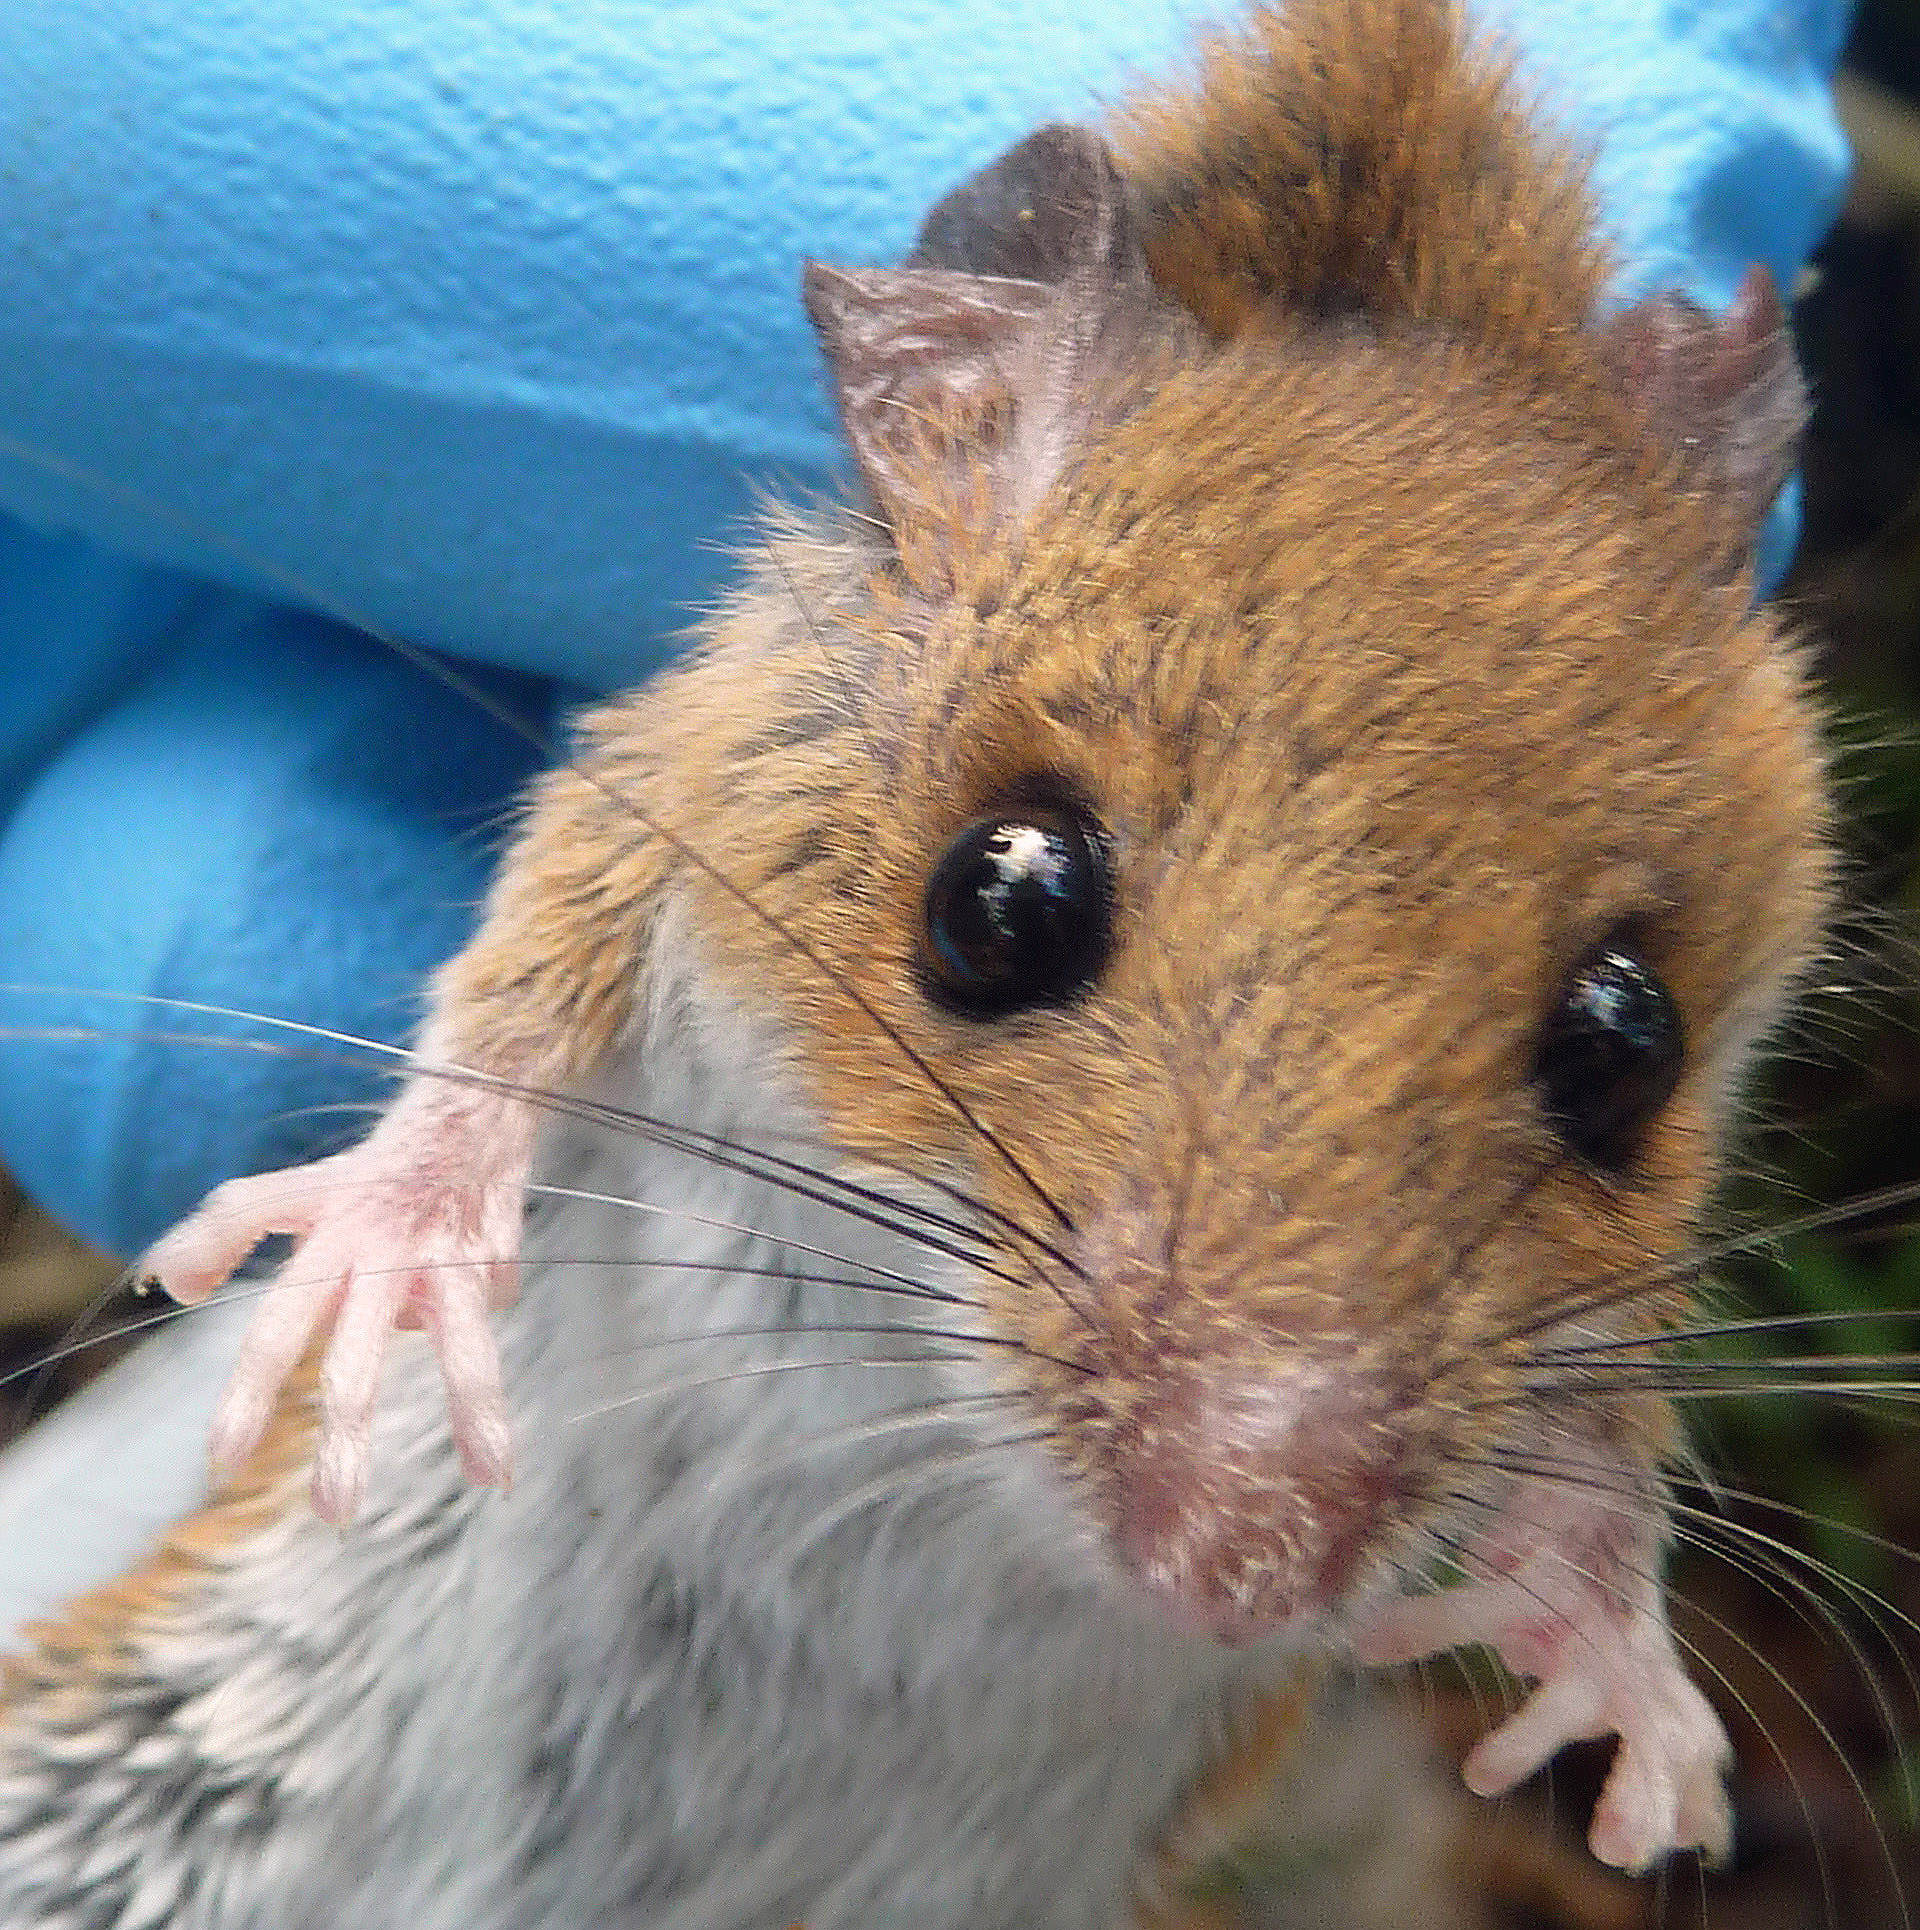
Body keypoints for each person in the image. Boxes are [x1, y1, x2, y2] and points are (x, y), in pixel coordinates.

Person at [0, 0, 1854, 1259]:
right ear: (951, 397)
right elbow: (627, 831)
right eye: (1015, 909)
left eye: (1601, 1048)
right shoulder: (986, 569)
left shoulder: (1607, 706)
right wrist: (442, 1148)